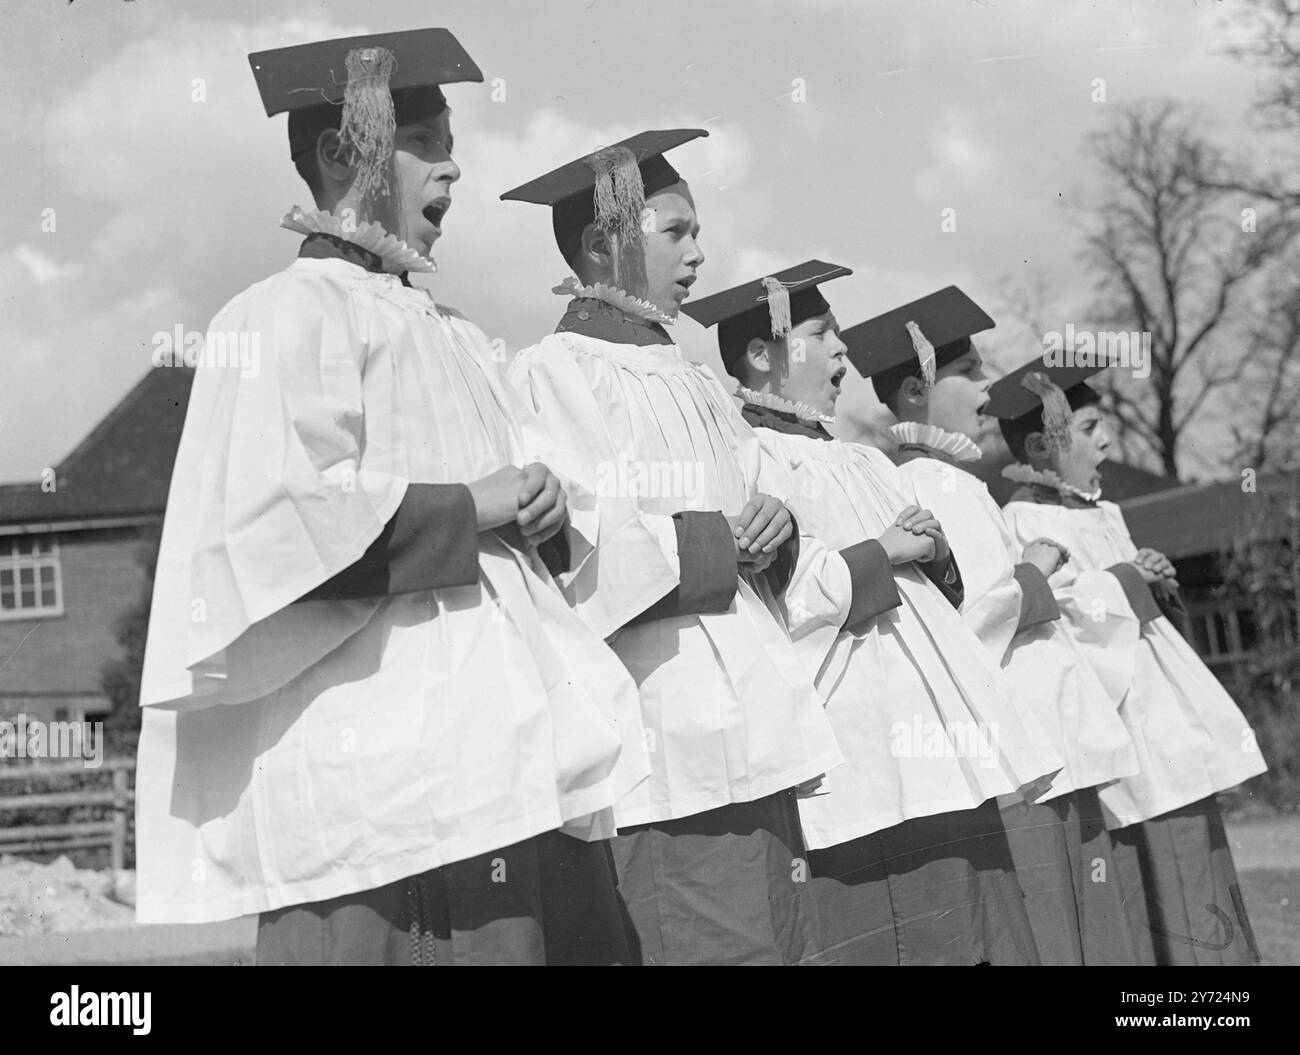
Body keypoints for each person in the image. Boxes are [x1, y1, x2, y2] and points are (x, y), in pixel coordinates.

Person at [134, 29, 650, 965]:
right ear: (343, 153)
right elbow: (272, 529)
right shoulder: (280, 317)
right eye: (423, 134)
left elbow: (540, 483)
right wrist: (471, 506)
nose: (453, 162)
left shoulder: (459, 334)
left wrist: (546, 506)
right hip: (372, 773)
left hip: (504, 754)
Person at [501, 134, 844, 965]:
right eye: (677, 231)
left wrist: (778, 528)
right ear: (601, 241)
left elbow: (761, 503)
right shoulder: (553, 371)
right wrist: (719, 542)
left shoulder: (692, 377)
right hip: (664, 734)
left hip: (756, 715)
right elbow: (580, 549)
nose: (700, 252)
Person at [685, 261, 1064, 965]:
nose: (842, 351)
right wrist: (883, 552)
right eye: (821, 334)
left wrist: (934, 552)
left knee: (979, 928)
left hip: (938, 744)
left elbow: (940, 599)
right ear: (762, 355)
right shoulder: (747, 455)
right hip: (858, 743)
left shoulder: (863, 459)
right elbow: (780, 602)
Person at [848, 286, 1142, 964]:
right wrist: (1035, 577)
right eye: (969, 372)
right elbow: (971, 620)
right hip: (1017, 750)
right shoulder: (930, 483)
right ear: (917, 392)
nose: (987, 389)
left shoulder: (953, 480)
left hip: (1045, 740)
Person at [989, 358, 1267, 965]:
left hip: (1162, 705)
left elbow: (1130, 598)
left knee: (1197, 854)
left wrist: (1154, 581)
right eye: (1089, 429)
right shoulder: (1023, 520)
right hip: (1119, 716)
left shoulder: (1105, 510)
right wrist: (1124, 580)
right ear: (1042, 443)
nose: (1107, 440)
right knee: (1150, 873)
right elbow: (1053, 616)